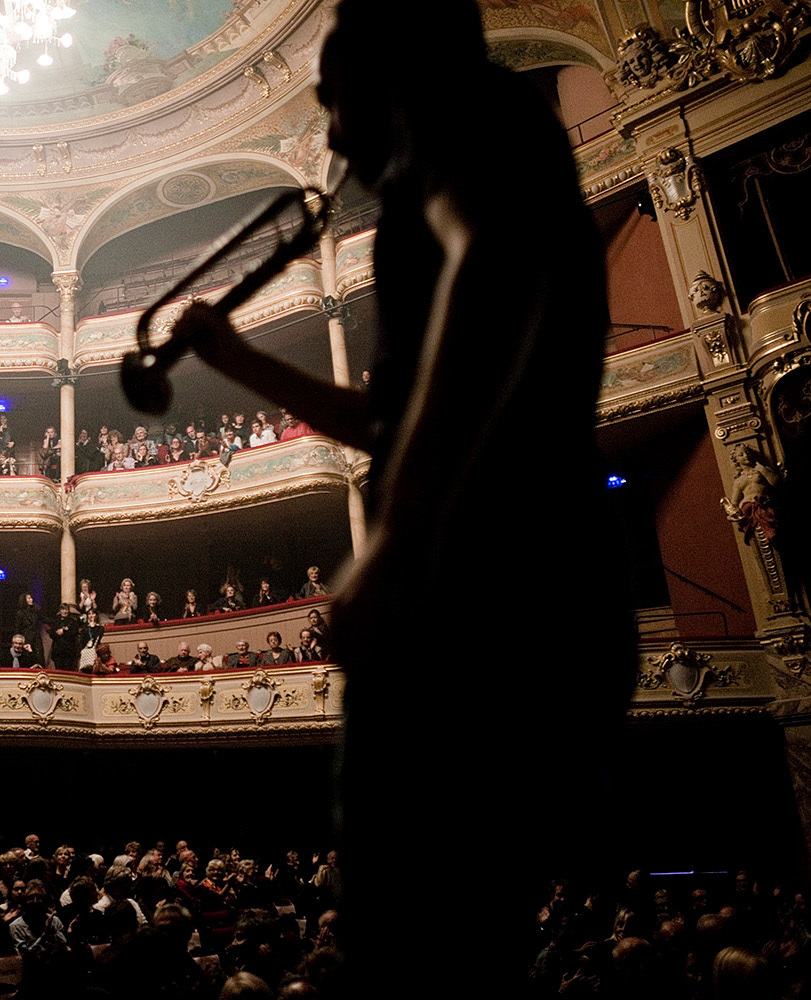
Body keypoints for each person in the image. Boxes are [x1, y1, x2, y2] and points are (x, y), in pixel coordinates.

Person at [168, 0, 634, 981]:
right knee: (433, 935)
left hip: (484, 603)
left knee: (419, 938)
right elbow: (396, 419)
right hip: (492, 601)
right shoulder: (449, 177)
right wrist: (241, 359)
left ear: (398, 78)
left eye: (337, 98)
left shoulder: (479, 129)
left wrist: (396, 541)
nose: (332, 131)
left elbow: (499, 262)